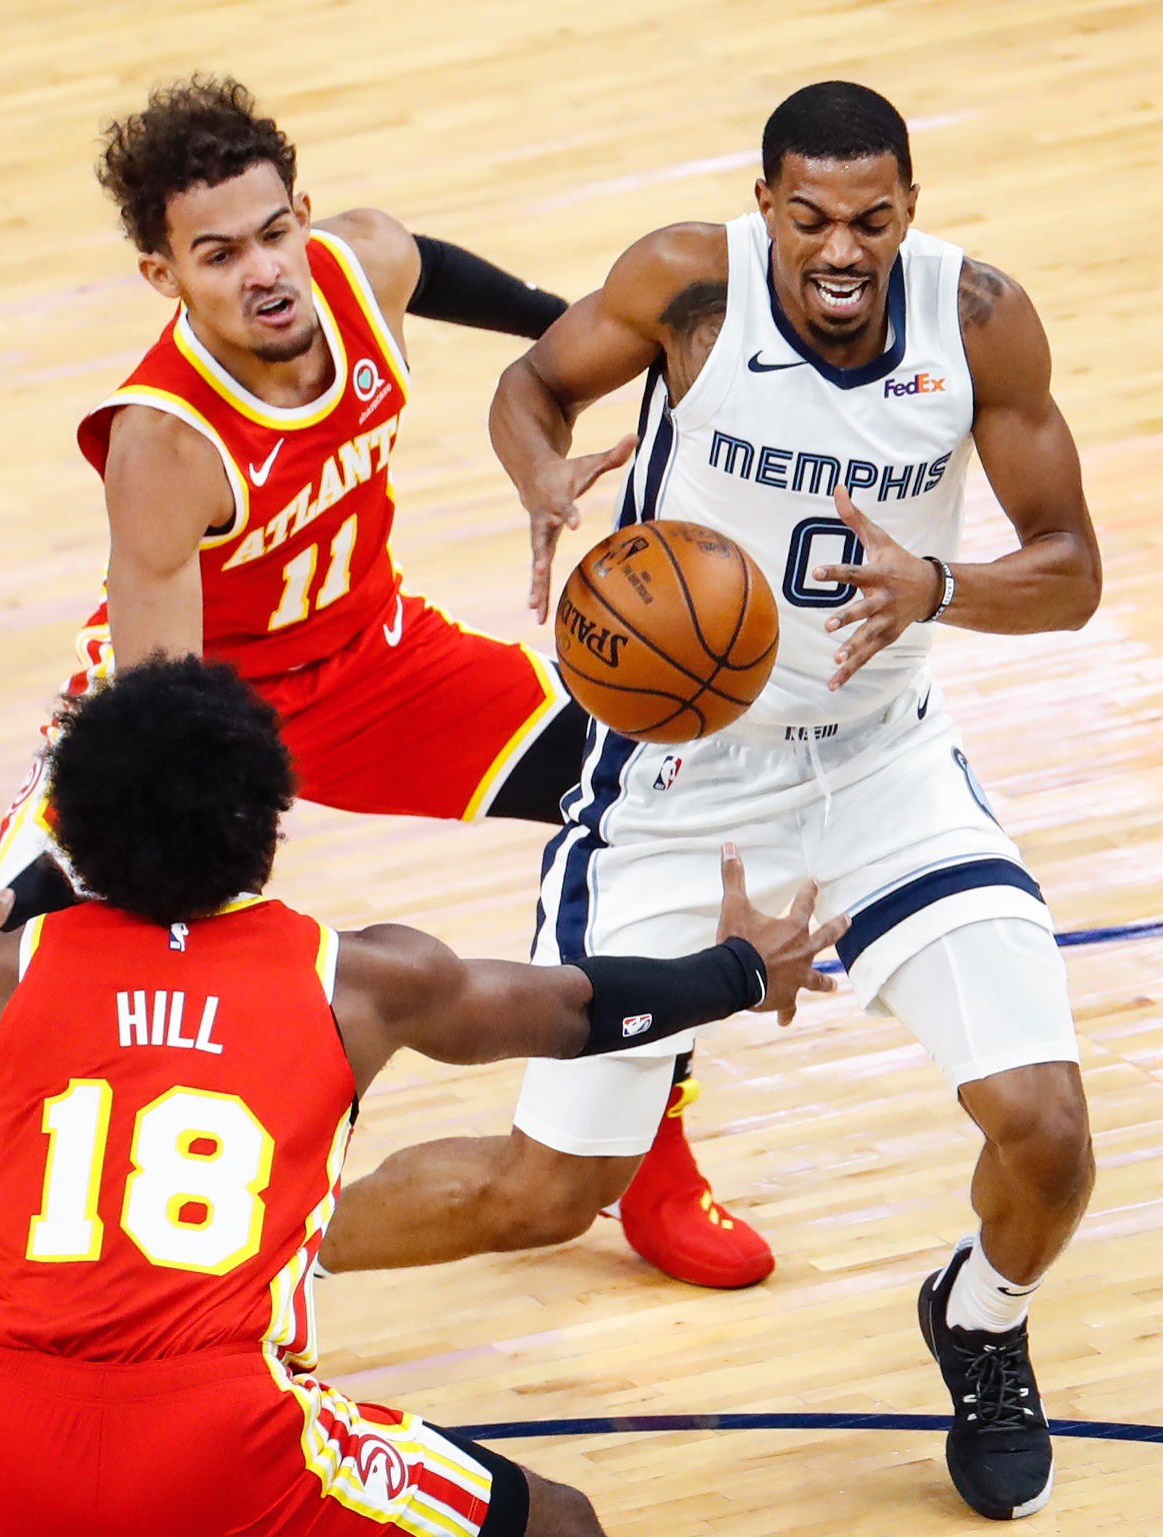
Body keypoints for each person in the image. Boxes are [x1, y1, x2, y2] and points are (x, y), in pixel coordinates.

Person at [328, 82, 1102, 1523]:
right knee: (546, 1191)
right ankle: (237, 1252)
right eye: (809, 217)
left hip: (882, 764)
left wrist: (941, 586)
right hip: (678, 784)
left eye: (873, 218)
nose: (842, 249)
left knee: (1048, 1126)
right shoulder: (684, 281)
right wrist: (545, 475)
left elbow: (1071, 570)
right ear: (765, 210)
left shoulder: (980, 320)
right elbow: (531, 384)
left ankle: (983, 1319)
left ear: (912, 211)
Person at [0, 75, 771, 1290]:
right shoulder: (163, 444)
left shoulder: (359, 269)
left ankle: (642, 1145)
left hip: (382, 661)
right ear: (163, 274)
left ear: (306, 216)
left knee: (655, 788)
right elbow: (165, 729)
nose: (266, 270)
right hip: (197, 716)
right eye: (218, 253)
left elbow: (430, 267)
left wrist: (590, 342)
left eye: (276, 229)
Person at [0, 655, 846, 1537]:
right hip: (222, 1433)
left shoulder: (0, 975)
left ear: (79, 829)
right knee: (560, 1522)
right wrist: (741, 971)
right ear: (265, 826)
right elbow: (580, 1007)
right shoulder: (357, 980)